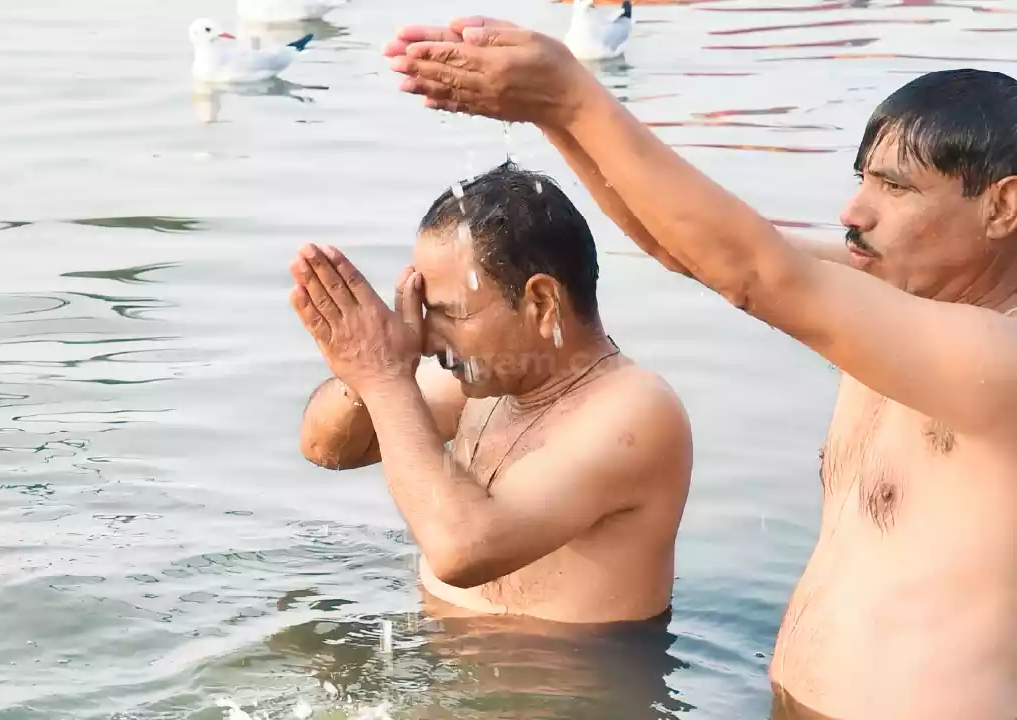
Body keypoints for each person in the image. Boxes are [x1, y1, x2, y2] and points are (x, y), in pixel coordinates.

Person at [381, 16, 1017, 720]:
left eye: (895, 189)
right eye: (860, 180)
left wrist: (575, 98)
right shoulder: (896, 296)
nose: (852, 210)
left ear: (1003, 206)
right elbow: (686, 251)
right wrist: (550, 114)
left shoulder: (1000, 357)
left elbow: (754, 273)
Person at [289, 162, 694, 626]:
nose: (428, 339)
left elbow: (460, 551)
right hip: (443, 669)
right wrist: (364, 368)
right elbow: (326, 448)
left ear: (541, 302)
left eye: (450, 314)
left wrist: (384, 378)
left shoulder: (636, 411)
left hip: (565, 690)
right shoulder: (484, 384)